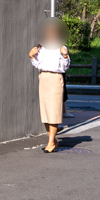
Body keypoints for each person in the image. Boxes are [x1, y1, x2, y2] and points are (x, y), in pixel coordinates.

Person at [28, 21, 70, 153]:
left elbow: (64, 67)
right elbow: (38, 65)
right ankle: (53, 140)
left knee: (53, 111)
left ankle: (51, 142)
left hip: (55, 79)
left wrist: (64, 55)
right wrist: (31, 57)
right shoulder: (41, 48)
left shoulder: (61, 48)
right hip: (43, 78)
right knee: (45, 111)